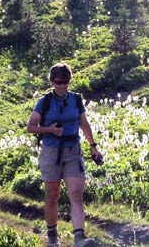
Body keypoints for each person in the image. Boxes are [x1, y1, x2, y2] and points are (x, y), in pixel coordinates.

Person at [27, 62, 102, 247]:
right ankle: (52, 234)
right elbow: (30, 127)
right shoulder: (44, 102)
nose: (62, 86)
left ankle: (79, 238)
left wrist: (93, 146)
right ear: (52, 81)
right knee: (52, 195)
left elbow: (84, 123)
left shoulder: (76, 99)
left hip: (73, 151)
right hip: (51, 152)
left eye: (66, 82)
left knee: (76, 194)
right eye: (59, 82)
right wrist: (50, 130)